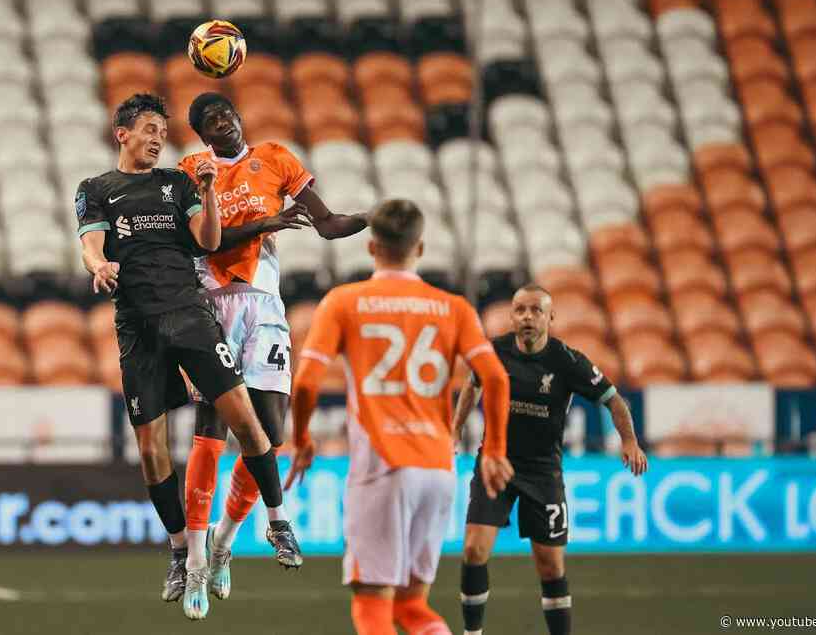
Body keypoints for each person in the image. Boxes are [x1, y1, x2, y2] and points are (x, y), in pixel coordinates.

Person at [75, 93, 302, 621]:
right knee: (153, 452)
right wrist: (99, 264)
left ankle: (277, 520)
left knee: (250, 423)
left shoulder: (178, 183)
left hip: (190, 315)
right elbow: (90, 242)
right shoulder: (96, 189)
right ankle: (181, 550)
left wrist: (208, 194)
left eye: (162, 131)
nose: (158, 138)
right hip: (137, 327)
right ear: (123, 134)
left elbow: (209, 240)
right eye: (149, 129)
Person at [286, 199, 514, 635]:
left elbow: (307, 382)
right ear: (421, 248)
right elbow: (496, 379)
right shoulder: (454, 307)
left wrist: (301, 439)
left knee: (372, 607)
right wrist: (495, 449)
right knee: (412, 607)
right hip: (437, 467)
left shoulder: (345, 301)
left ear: (372, 248)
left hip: (382, 466)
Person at [176, 91, 369, 600]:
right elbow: (202, 241)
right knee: (211, 430)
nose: (226, 125)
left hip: (263, 305)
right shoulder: (192, 168)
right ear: (202, 134)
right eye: (213, 122)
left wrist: (375, 218)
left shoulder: (277, 158)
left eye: (229, 115)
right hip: (209, 304)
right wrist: (264, 223)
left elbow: (327, 224)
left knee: (271, 432)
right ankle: (196, 560)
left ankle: (224, 541)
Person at [454, 284, 648, 635]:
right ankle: (472, 633)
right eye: (520, 310)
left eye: (535, 310)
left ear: (550, 317)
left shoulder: (567, 361)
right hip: (495, 464)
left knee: (550, 567)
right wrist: (454, 431)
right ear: (512, 316)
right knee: (473, 550)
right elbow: (472, 386)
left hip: (543, 473)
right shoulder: (493, 351)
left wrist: (630, 441)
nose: (527, 317)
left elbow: (614, 401)